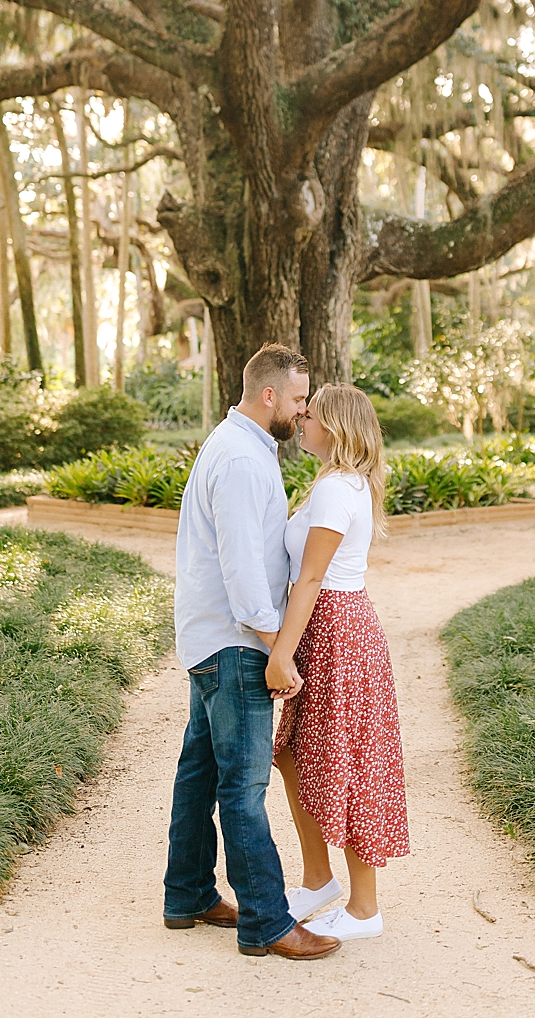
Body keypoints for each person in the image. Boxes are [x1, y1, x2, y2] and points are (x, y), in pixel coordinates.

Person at [162, 342, 341, 960]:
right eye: (297, 398)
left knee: (201, 770)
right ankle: (266, 920)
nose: (302, 408)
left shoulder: (238, 445)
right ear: (269, 395)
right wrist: (277, 648)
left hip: (210, 635)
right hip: (236, 642)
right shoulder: (241, 459)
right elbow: (243, 572)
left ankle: (186, 893)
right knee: (243, 784)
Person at [270, 383, 411, 939]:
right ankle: (319, 879)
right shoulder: (336, 483)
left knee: (348, 762)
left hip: (336, 628)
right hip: (333, 627)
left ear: (335, 427)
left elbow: (310, 579)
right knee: (295, 756)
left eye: (312, 414)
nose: (301, 419)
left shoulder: (336, 490)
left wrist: (281, 653)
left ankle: (364, 908)